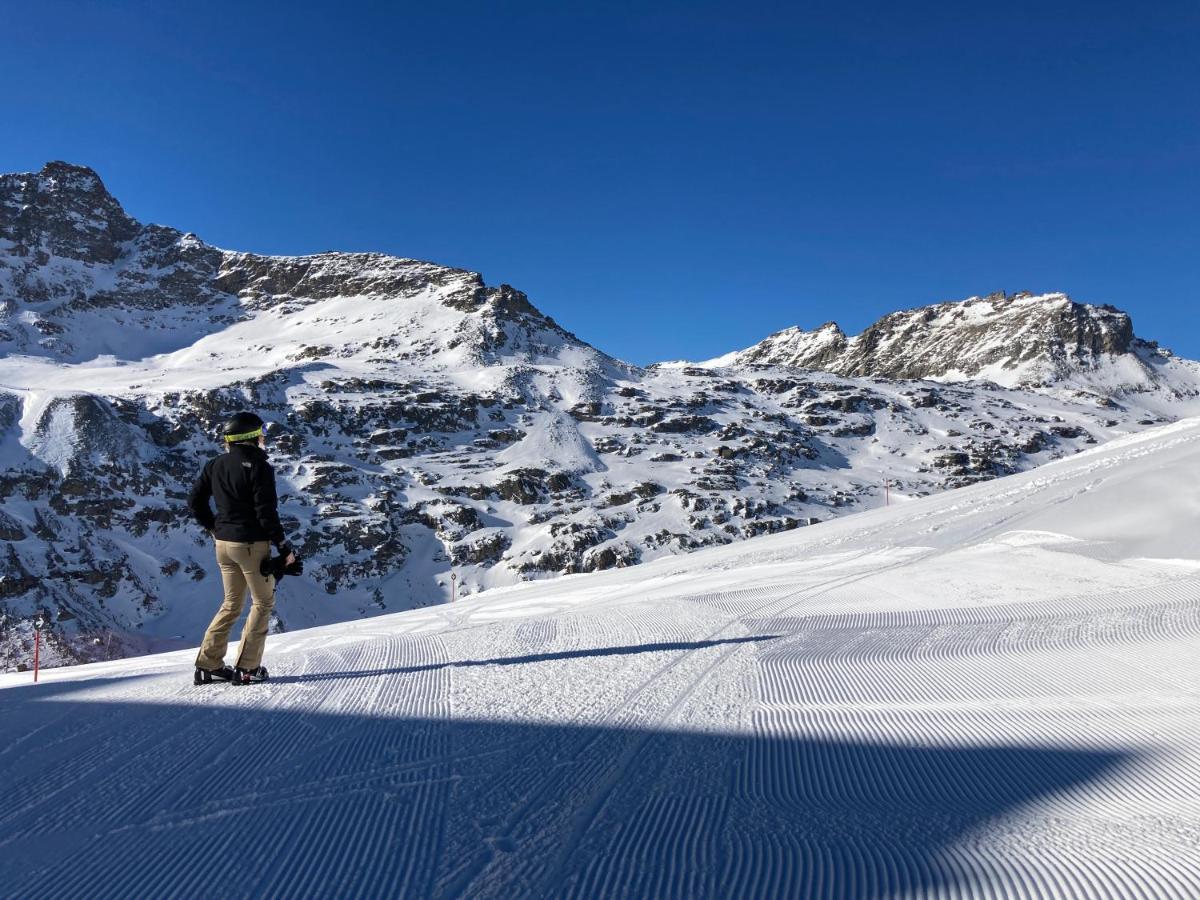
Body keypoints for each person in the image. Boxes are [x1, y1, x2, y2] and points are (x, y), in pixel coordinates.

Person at [188, 412, 297, 685]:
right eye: (261, 433)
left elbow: (194, 502)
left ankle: (208, 664)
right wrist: (284, 547)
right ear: (251, 436)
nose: (263, 438)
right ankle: (248, 667)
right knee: (262, 602)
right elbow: (265, 512)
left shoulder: (215, 464)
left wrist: (214, 529)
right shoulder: (260, 467)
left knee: (231, 604)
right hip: (251, 545)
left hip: (223, 544)